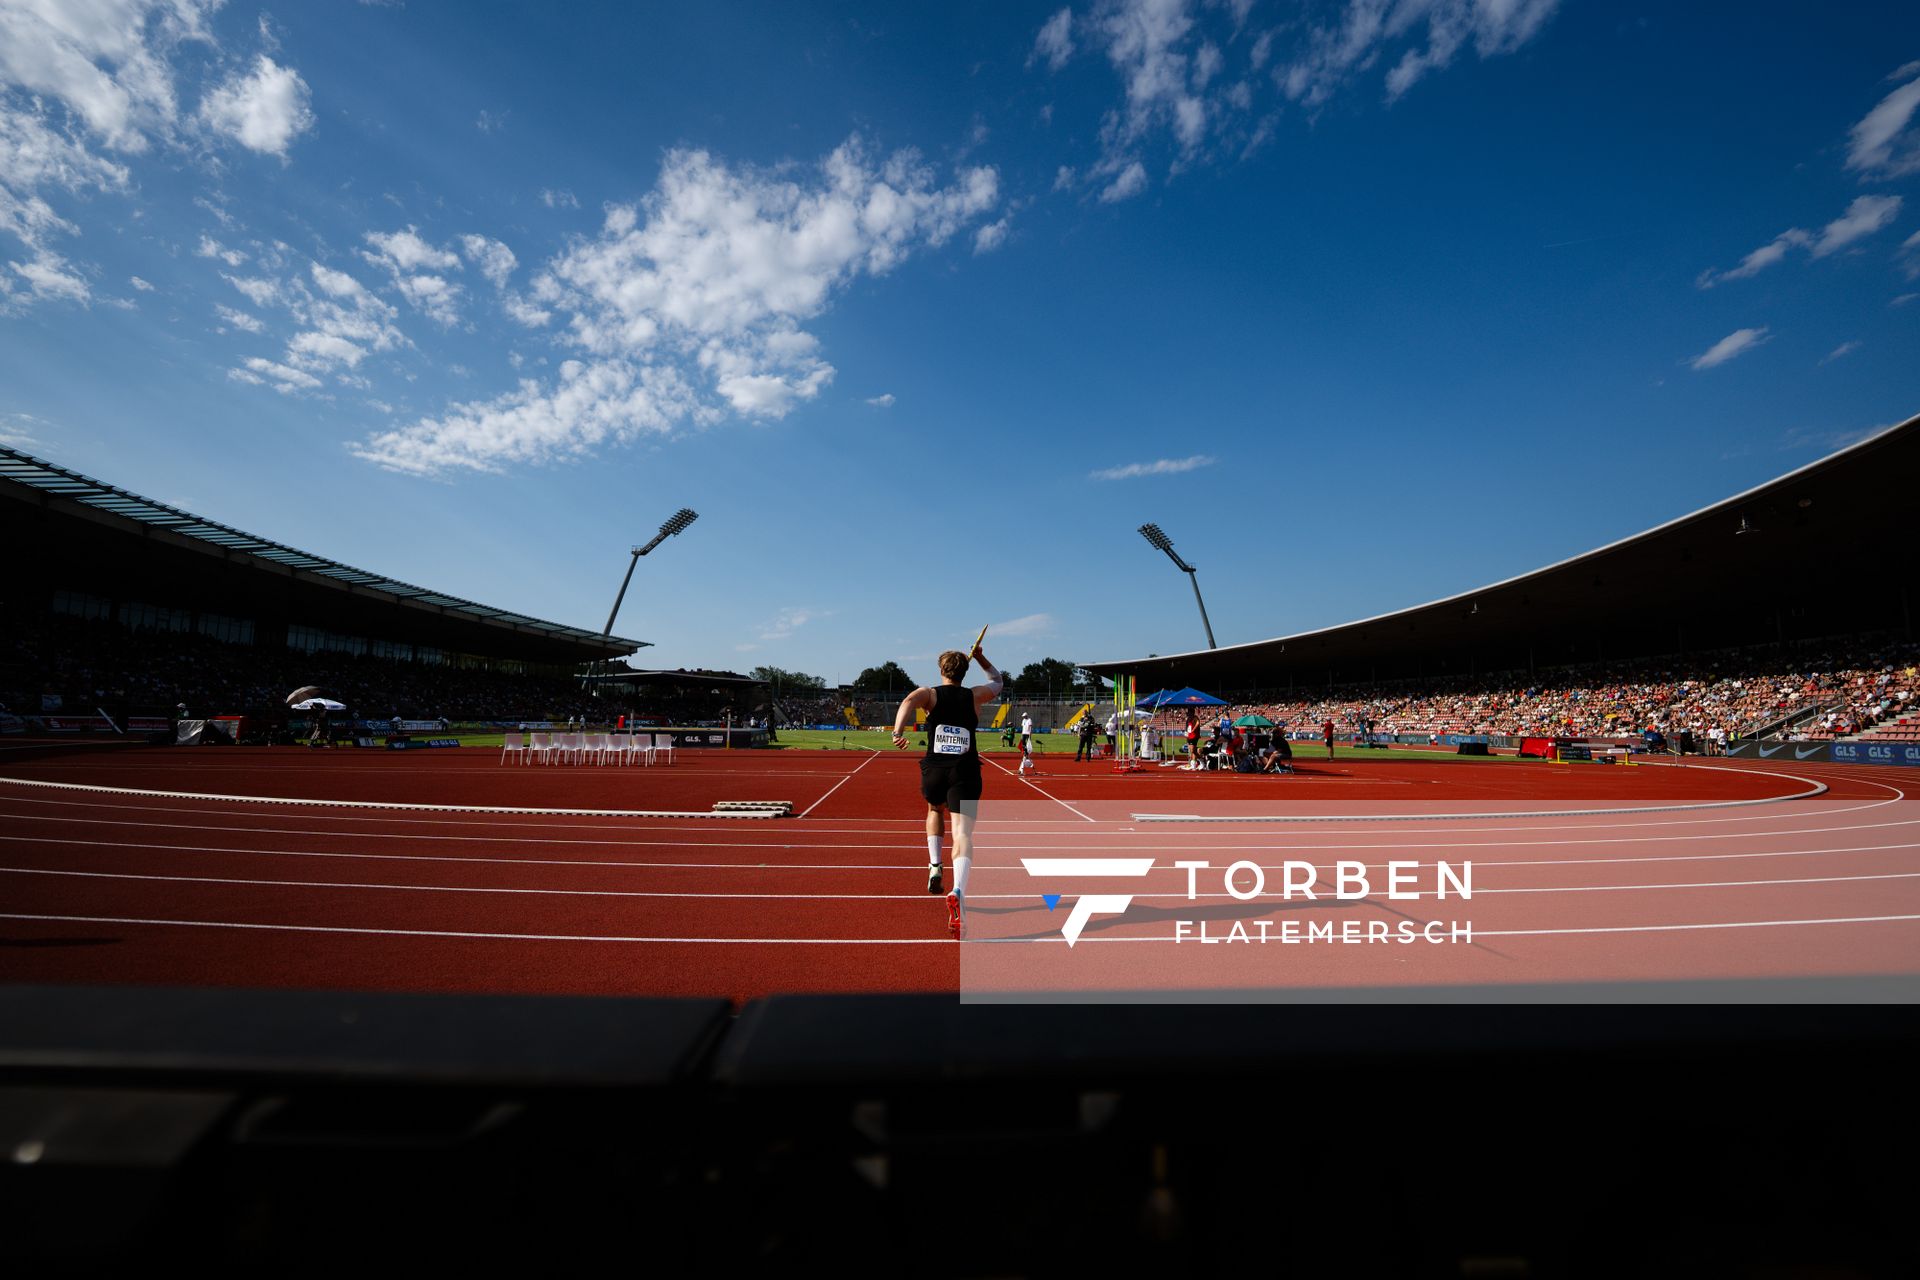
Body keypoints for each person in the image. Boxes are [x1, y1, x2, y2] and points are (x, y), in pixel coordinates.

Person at [892, 645, 1004, 940]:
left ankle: (934, 866)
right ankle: (959, 892)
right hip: (965, 771)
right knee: (963, 834)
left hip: (935, 770)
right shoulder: (975, 695)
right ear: (964, 671)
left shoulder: (929, 694)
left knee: (933, 810)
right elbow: (998, 680)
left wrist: (897, 732)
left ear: (941, 671)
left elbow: (907, 701)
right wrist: (980, 657)